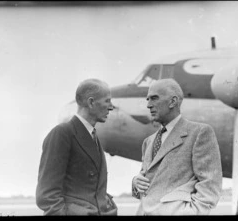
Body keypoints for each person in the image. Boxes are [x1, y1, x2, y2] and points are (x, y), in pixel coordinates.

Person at [132, 78, 222, 215]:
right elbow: (147, 185)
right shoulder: (148, 141)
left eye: (154, 98)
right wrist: (135, 182)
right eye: (148, 99)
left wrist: (191, 212)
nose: (148, 105)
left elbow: (210, 184)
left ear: (173, 101)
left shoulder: (199, 132)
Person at [36, 79, 117, 216]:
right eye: (107, 101)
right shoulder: (62, 133)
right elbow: (48, 195)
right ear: (91, 102)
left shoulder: (92, 135)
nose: (111, 107)